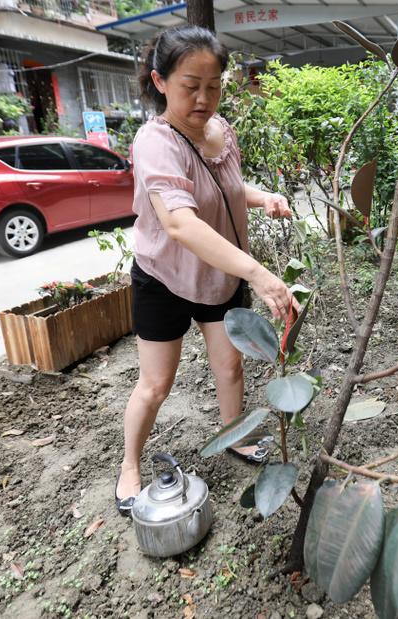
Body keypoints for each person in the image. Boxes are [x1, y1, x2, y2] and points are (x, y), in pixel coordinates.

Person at [115, 26, 299, 517]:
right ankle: (130, 466)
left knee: (230, 365)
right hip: (165, 279)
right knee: (154, 385)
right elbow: (178, 222)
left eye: (213, 85)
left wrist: (263, 198)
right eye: (189, 85)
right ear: (159, 80)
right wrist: (259, 274)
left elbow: (226, 186)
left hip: (219, 277)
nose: (203, 98)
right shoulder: (155, 143)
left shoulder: (221, 132)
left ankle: (234, 435)